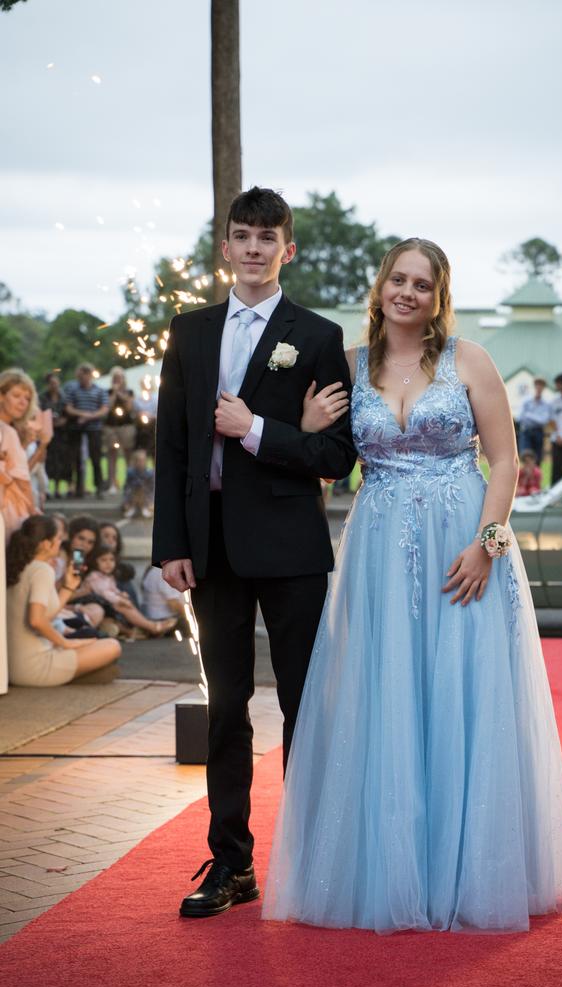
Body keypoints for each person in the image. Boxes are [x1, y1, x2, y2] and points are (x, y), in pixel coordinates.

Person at [262, 238, 562, 934]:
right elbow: (327, 461)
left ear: (440, 295)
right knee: (387, 700)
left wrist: (488, 545)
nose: (408, 292)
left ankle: (470, 872)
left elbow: (505, 464)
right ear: (381, 287)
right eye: (398, 279)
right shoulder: (350, 365)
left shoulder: (469, 361)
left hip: (463, 550)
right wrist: (308, 424)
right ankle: (388, 868)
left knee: (462, 697)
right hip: (378, 553)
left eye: (423, 283)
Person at [152, 186, 356, 918]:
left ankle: (315, 863)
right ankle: (232, 865)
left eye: (268, 238)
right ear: (226, 246)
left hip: (293, 546)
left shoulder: (320, 335)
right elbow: (172, 444)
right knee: (226, 709)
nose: (254, 249)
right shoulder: (190, 329)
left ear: (287, 249)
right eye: (242, 236)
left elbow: (337, 455)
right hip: (210, 548)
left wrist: (257, 429)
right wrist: (170, 543)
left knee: (308, 706)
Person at [6, 515, 121, 686]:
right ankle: (85, 673)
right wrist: (65, 643)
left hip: (12, 665)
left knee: (92, 642)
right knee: (112, 646)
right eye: (58, 538)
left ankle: (87, 672)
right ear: (46, 544)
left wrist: (68, 588)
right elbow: (36, 620)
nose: (61, 542)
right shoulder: (42, 570)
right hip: (34, 665)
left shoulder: (20, 566)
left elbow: (45, 616)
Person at [76, 546, 177, 638]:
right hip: (99, 603)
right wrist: (119, 599)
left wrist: (120, 595)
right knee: (124, 606)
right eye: (103, 560)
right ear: (95, 562)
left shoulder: (108, 577)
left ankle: (144, 626)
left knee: (127, 604)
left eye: (111, 560)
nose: (108, 563)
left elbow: (112, 589)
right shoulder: (94, 576)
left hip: (108, 604)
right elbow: (104, 593)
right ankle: (152, 627)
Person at [0, 369, 38, 540]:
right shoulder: (7, 431)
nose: (23, 402)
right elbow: (21, 479)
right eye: (16, 395)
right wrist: (33, 509)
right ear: (1, 395)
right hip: (9, 509)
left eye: (27, 398)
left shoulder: (9, 431)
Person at [64, 363, 109, 499]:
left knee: (96, 458)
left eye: (85, 376)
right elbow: (68, 408)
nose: (83, 379)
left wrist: (89, 416)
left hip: (94, 429)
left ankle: (99, 487)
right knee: (77, 459)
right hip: (78, 429)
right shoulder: (73, 391)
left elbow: (104, 409)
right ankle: (79, 488)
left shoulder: (100, 391)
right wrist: (82, 414)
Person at [103, 366, 136, 494]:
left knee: (128, 455)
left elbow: (129, 407)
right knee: (112, 455)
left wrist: (120, 394)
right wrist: (114, 393)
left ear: (124, 379)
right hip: (111, 427)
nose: (117, 380)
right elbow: (108, 407)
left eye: (119, 377)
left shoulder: (129, 392)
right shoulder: (108, 392)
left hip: (126, 426)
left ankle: (129, 482)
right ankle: (112, 483)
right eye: (115, 378)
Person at [39, 372, 73, 498]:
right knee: (50, 460)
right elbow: (40, 411)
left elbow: (68, 412)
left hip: (62, 433)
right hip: (48, 432)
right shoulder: (43, 397)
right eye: (52, 383)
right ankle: (48, 489)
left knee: (62, 460)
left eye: (56, 383)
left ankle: (60, 487)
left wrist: (63, 420)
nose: (55, 386)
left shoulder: (63, 397)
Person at [517, 376, 550, 464]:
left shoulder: (546, 403)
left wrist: (528, 415)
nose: (539, 387)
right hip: (526, 432)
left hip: (538, 433)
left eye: (541, 385)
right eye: (537, 385)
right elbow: (519, 417)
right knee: (526, 457)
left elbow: (543, 421)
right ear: (535, 386)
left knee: (537, 459)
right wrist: (536, 417)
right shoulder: (525, 400)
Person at [122, 449, 154, 518]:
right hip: (133, 495)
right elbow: (126, 487)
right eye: (138, 460)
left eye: (142, 460)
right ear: (134, 461)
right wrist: (126, 501)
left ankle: (145, 508)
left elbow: (152, 489)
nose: (140, 463)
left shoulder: (150, 473)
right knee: (136, 488)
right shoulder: (130, 472)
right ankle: (132, 507)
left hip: (146, 496)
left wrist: (151, 501)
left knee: (142, 488)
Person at [134, 375, 158, 457]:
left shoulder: (156, 397)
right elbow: (136, 413)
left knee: (155, 451)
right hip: (142, 429)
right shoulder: (137, 399)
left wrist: (151, 416)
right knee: (142, 451)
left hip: (154, 427)